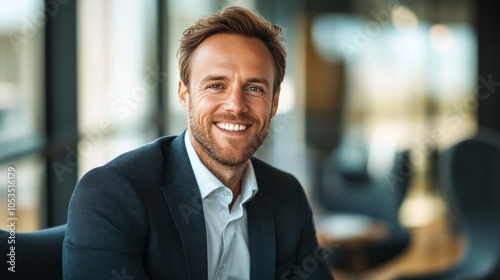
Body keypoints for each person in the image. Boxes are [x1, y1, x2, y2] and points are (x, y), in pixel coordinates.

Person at [63, 6, 334, 280]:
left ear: (274, 103)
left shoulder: (287, 195)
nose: (236, 106)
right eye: (216, 85)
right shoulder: (111, 195)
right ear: (184, 95)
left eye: (254, 88)